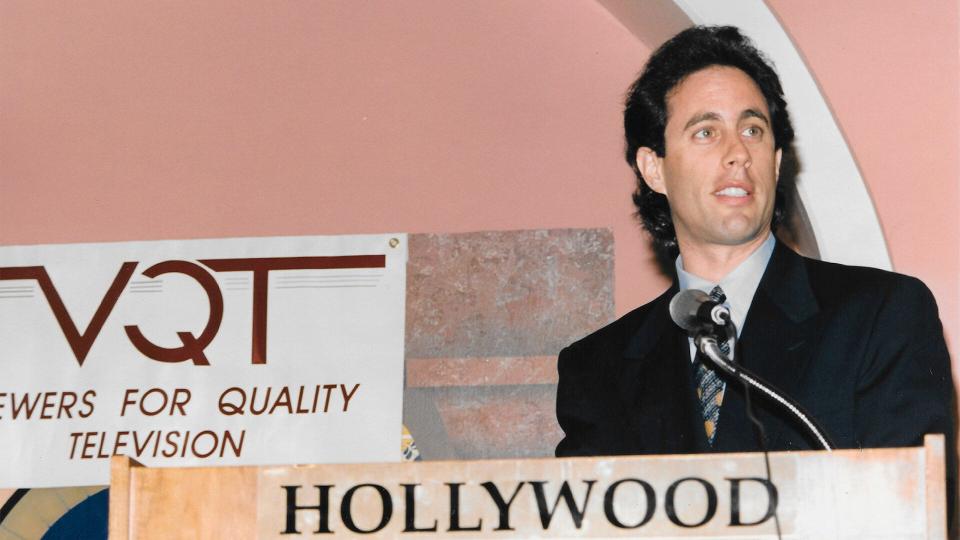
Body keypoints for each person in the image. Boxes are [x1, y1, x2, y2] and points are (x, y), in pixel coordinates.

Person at [554, 24, 956, 522]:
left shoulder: (881, 315)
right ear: (654, 168)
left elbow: (911, 513)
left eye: (753, 130)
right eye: (706, 131)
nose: (738, 152)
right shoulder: (598, 368)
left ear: (776, 159)